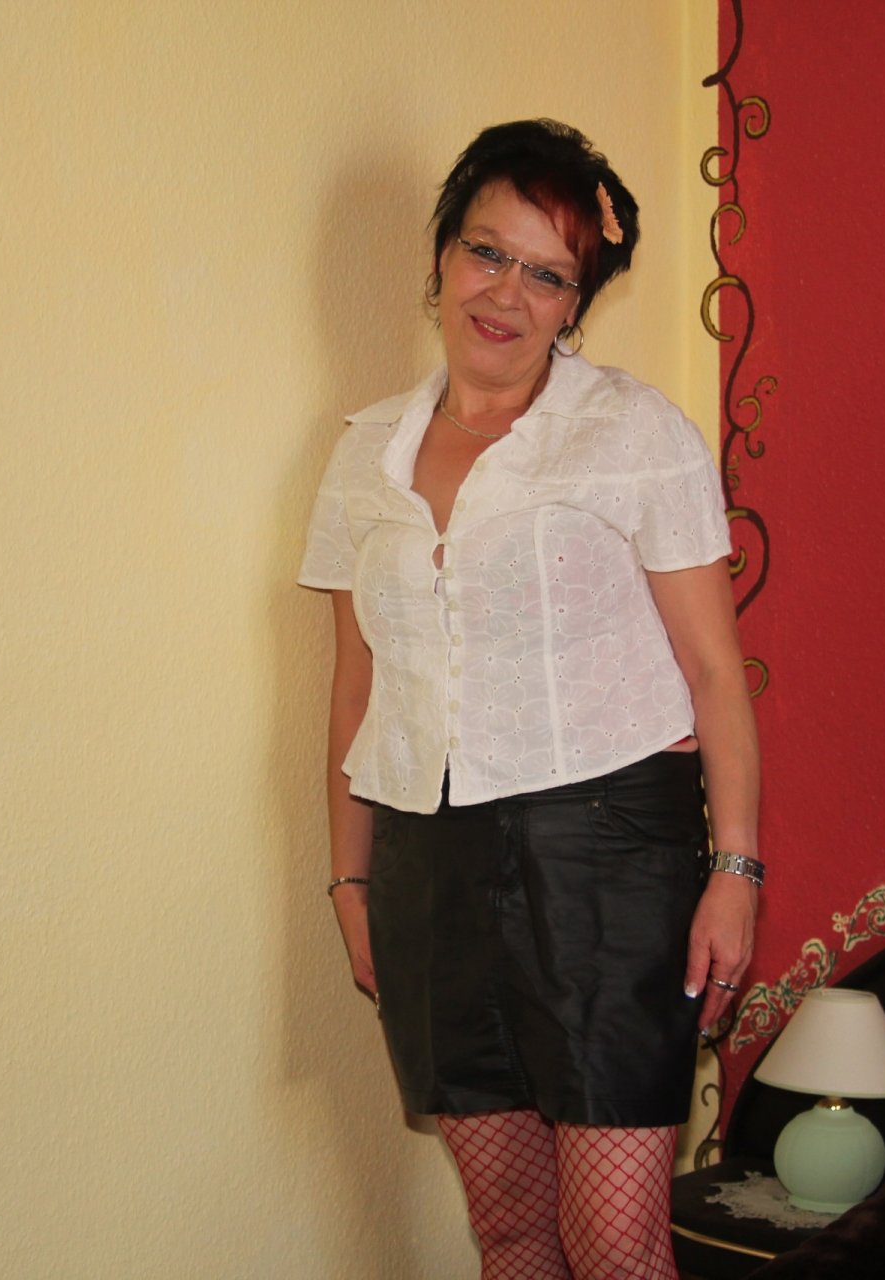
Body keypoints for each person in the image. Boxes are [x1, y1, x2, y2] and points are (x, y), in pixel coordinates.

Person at [298, 119, 762, 1280]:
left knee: (614, 1244)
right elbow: (355, 693)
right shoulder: (362, 454)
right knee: (509, 1232)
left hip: (608, 856)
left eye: (546, 274)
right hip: (428, 862)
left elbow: (715, 672)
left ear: (575, 303)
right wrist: (351, 882)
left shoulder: (632, 432)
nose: (505, 292)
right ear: (443, 257)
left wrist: (737, 868)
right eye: (486, 251)